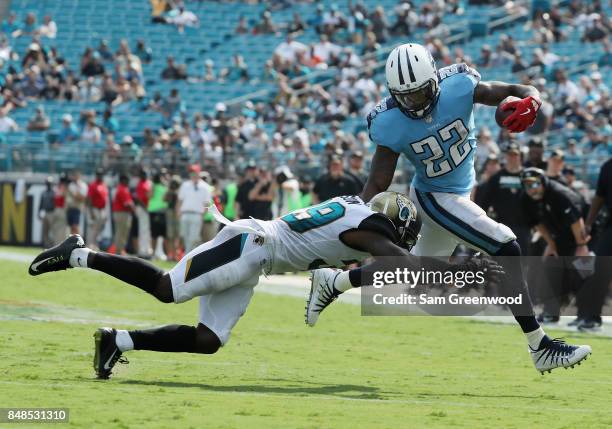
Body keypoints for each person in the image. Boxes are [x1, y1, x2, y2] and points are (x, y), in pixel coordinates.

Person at [28, 191, 497, 380]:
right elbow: (401, 262)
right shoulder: (371, 230)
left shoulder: (361, 213)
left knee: (209, 340)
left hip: (258, 259)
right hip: (252, 244)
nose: (401, 241)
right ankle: (77, 253)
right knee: (167, 288)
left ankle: (116, 341)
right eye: (404, 232)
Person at [352, 43, 590, 373]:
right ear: (394, 93)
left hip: (459, 193)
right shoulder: (389, 122)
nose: (415, 104)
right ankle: (540, 346)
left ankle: (333, 283)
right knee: (507, 246)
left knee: (413, 268)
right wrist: (354, 225)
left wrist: (530, 99)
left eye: (420, 94)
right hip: (433, 195)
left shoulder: (459, 86)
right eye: (406, 97)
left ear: (434, 80)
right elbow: (377, 183)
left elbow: (513, 89)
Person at [520, 168, 592, 325]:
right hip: (561, 235)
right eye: (527, 185)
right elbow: (536, 223)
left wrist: (582, 245)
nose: (532, 189)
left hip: (584, 232)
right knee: (551, 269)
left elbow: (576, 219)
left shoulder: (559, 194)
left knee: (581, 272)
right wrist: (551, 244)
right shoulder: (526, 199)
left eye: (535, 184)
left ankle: (587, 315)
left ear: (543, 182)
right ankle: (551, 313)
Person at [475, 143, 530, 254]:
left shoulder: (527, 176)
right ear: (505, 157)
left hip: (524, 226)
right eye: (510, 155)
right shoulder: (496, 178)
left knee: (524, 261)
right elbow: (484, 202)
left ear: (520, 156)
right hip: (503, 226)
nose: (512, 158)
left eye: (515, 155)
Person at [177, 165, 211, 253]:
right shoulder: (185, 185)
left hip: (197, 214)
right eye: (191, 173)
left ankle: (187, 255)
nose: (193, 175)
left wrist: (203, 215)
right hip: (185, 214)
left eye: (195, 173)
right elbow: (180, 200)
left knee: (193, 237)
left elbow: (207, 203)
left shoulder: (205, 187)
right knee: (184, 236)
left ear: (198, 173)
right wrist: (178, 212)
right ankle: (188, 254)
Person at [111, 174, 134, 255]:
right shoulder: (122, 189)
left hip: (123, 213)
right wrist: (133, 208)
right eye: (127, 180)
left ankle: (120, 250)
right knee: (120, 233)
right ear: (122, 180)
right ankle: (118, 251)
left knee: (123, 233)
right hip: (121, 213)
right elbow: (127, 204)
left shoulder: (124, 188)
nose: (128, 182)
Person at [86, 169, 109, 250]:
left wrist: (105, 212)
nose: (100, 176)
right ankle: (89, 246)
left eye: (101, 174)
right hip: (94, 209)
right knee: (92, 229)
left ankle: (95, 245)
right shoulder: (93, 185)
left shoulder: (103, 185)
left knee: (99, 229)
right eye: (99, 174)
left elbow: (105, 199)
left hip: (102, 210)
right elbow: (89, 199)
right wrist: (91, 212)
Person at [148, 172, 168, 260]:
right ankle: (153, 254)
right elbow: (149, 196)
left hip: (163, 212)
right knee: (154, 234)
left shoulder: (165, 186)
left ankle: (166, 254)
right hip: (155, 212)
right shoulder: (153, 186)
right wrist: (153, 186)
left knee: (165, 235)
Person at [134, 170, 153, 257]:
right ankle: (143, 251)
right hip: (142, 209)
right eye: (143, 174)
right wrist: (146, 208)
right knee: (143, 230)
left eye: (145, 174)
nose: (144, 176)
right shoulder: (141, 184)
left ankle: (146, 249)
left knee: (146, 230)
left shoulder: (147, 183)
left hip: (146, 208)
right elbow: (139, 199)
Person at [66, 171, 88, 235]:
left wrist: (75, 195)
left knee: (75, 226)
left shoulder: (83, 185)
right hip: (70, 208)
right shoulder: (71, 185)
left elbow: (82, 197)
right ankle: (72, 242)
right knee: (71, 227)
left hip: (77, 208)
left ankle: (79, 242)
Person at [39, 177, 56, 249]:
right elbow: (41, 203)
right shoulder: (43, 193)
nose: (48, 185)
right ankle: (46, 246)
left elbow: (55, 204)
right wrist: (39, 212)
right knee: (45, 231)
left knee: (52, 231)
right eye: (47, 183)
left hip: (52, 213)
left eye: (49, 183)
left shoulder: (54, 193)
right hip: (45, 212)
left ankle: (53, 246)